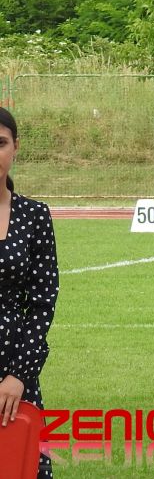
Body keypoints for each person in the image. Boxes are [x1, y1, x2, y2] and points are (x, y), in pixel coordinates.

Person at [0, 107, 59, 479]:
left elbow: (42, 302)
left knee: (21, 466)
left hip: (14, 368)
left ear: (16, 147)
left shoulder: (34, 215)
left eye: (0, 143)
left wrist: (19, 375)